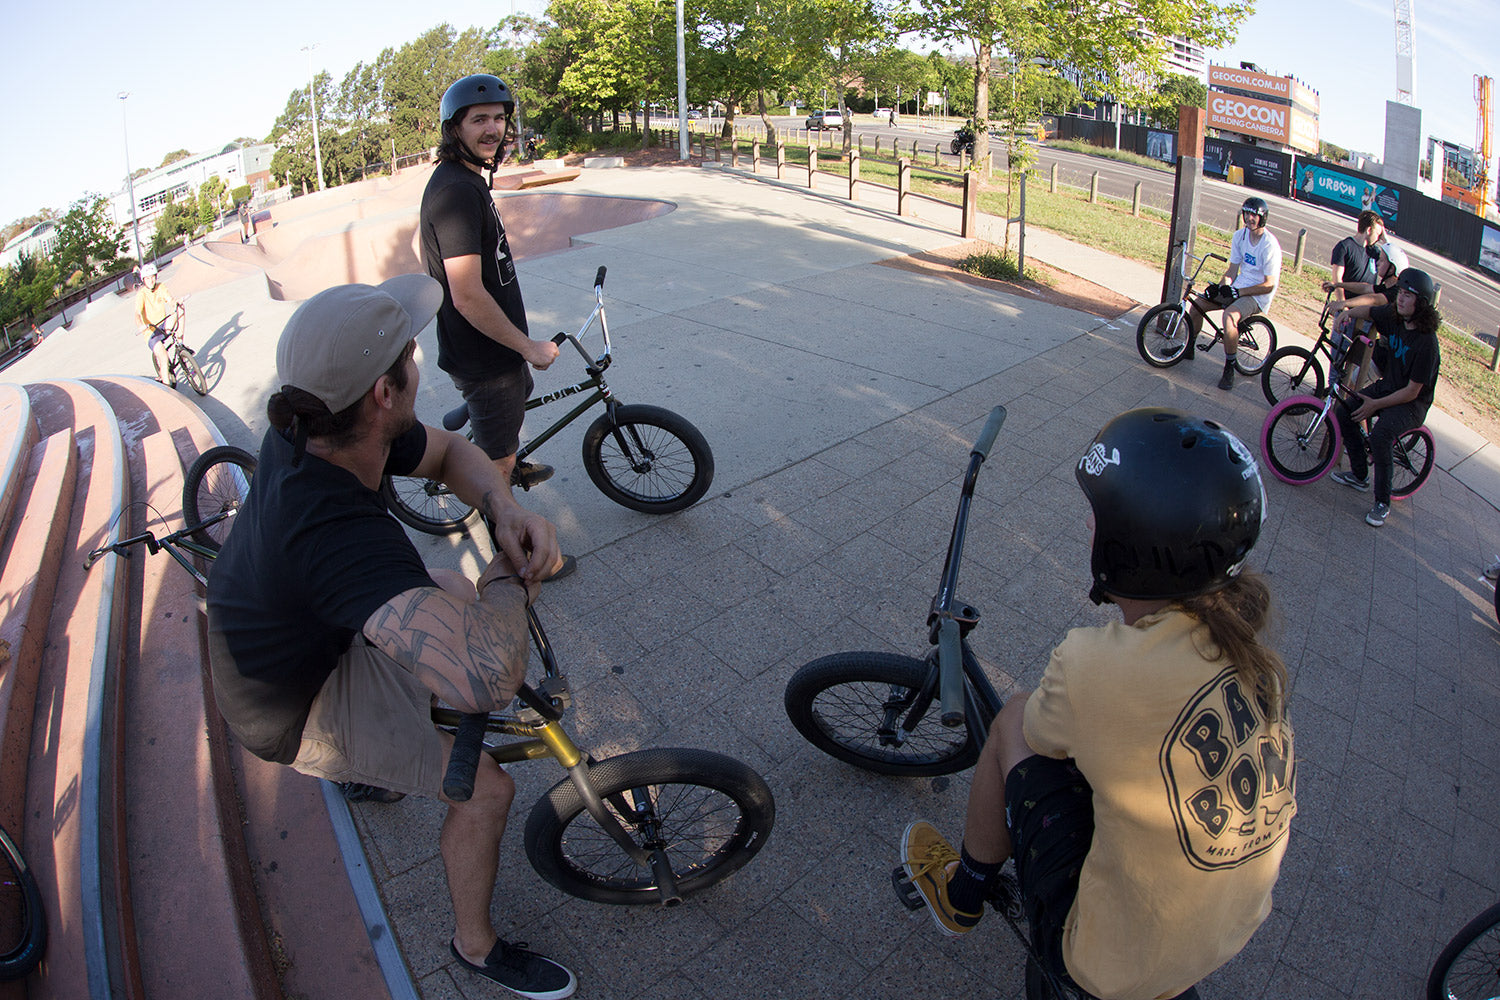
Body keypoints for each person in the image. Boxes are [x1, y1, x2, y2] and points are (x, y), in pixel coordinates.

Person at [205, 275, 576, 1000]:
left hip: (300, 622)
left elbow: (446, 454)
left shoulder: (321, 423)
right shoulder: (334, 533)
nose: (420, 358)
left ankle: (377, 765)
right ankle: (475, 947)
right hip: (293, 700)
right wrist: (510, 569)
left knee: (457, 594)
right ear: (385, 391)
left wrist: (501, 508)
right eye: (412, 352)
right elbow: (485, 679)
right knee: (486, 790)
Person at [899, 408, 1295, 1000]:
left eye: (1099, 520)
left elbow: (1039, 731)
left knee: (1012, 720)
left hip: (1108, 963)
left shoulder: (1095, 663)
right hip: (1222, 929)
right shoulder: (1254, 656)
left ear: (1129, 547)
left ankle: (962, 895)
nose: (1089, 531)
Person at [420, 74, 574, 580]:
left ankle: (489, 431)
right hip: (485, 359)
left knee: (517, 393)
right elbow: (465, 293)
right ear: (455, 127)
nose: (492, 128)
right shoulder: (455, 193)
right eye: (478, 119)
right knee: (497, 473)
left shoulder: (469, 180)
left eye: (498, 118)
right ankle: (517, 565)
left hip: (492, 355)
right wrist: (528, 346)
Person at [1327, 268, 1442, 528]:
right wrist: (1346, 312)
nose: (1400, 299)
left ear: (1421, 303)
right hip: (1389, 387)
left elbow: (1413, 391)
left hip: (1411, 404)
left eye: (1407, 295)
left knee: (1381, 435)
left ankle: (1382, 503)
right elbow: (1369, 310)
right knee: (1344, 410)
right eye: (1399, 292)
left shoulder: (1427, 344)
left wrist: (1374, 405)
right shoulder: (1397, 318)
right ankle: (1359, 475)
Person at [1185, 196, 1282, 391]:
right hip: (1239, 287)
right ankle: (1187, 348)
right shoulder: (1240, 236)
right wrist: (1221, 286)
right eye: (1246, 214)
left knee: (1229, 316)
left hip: (1257, 295)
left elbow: (1269, 284)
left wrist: (1239, 292)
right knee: (1198, 304)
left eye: (1254, 215)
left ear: (1263, 218)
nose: (1249, 219)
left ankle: (1229, 368)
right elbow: (1232, 271)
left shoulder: (1269, 245)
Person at [134, 264, 179, 386]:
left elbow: (169, 299)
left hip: (163, 324)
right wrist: (141, 326)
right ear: (143, 280)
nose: (151, 280)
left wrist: (175, 303)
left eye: (153, 277)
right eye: (147, 278)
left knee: (180, 309)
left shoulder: (160, 287)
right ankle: (167, 388)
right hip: (151, 331)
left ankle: (180, 344)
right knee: (163, 358)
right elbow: (137, 313)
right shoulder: (141, 294)